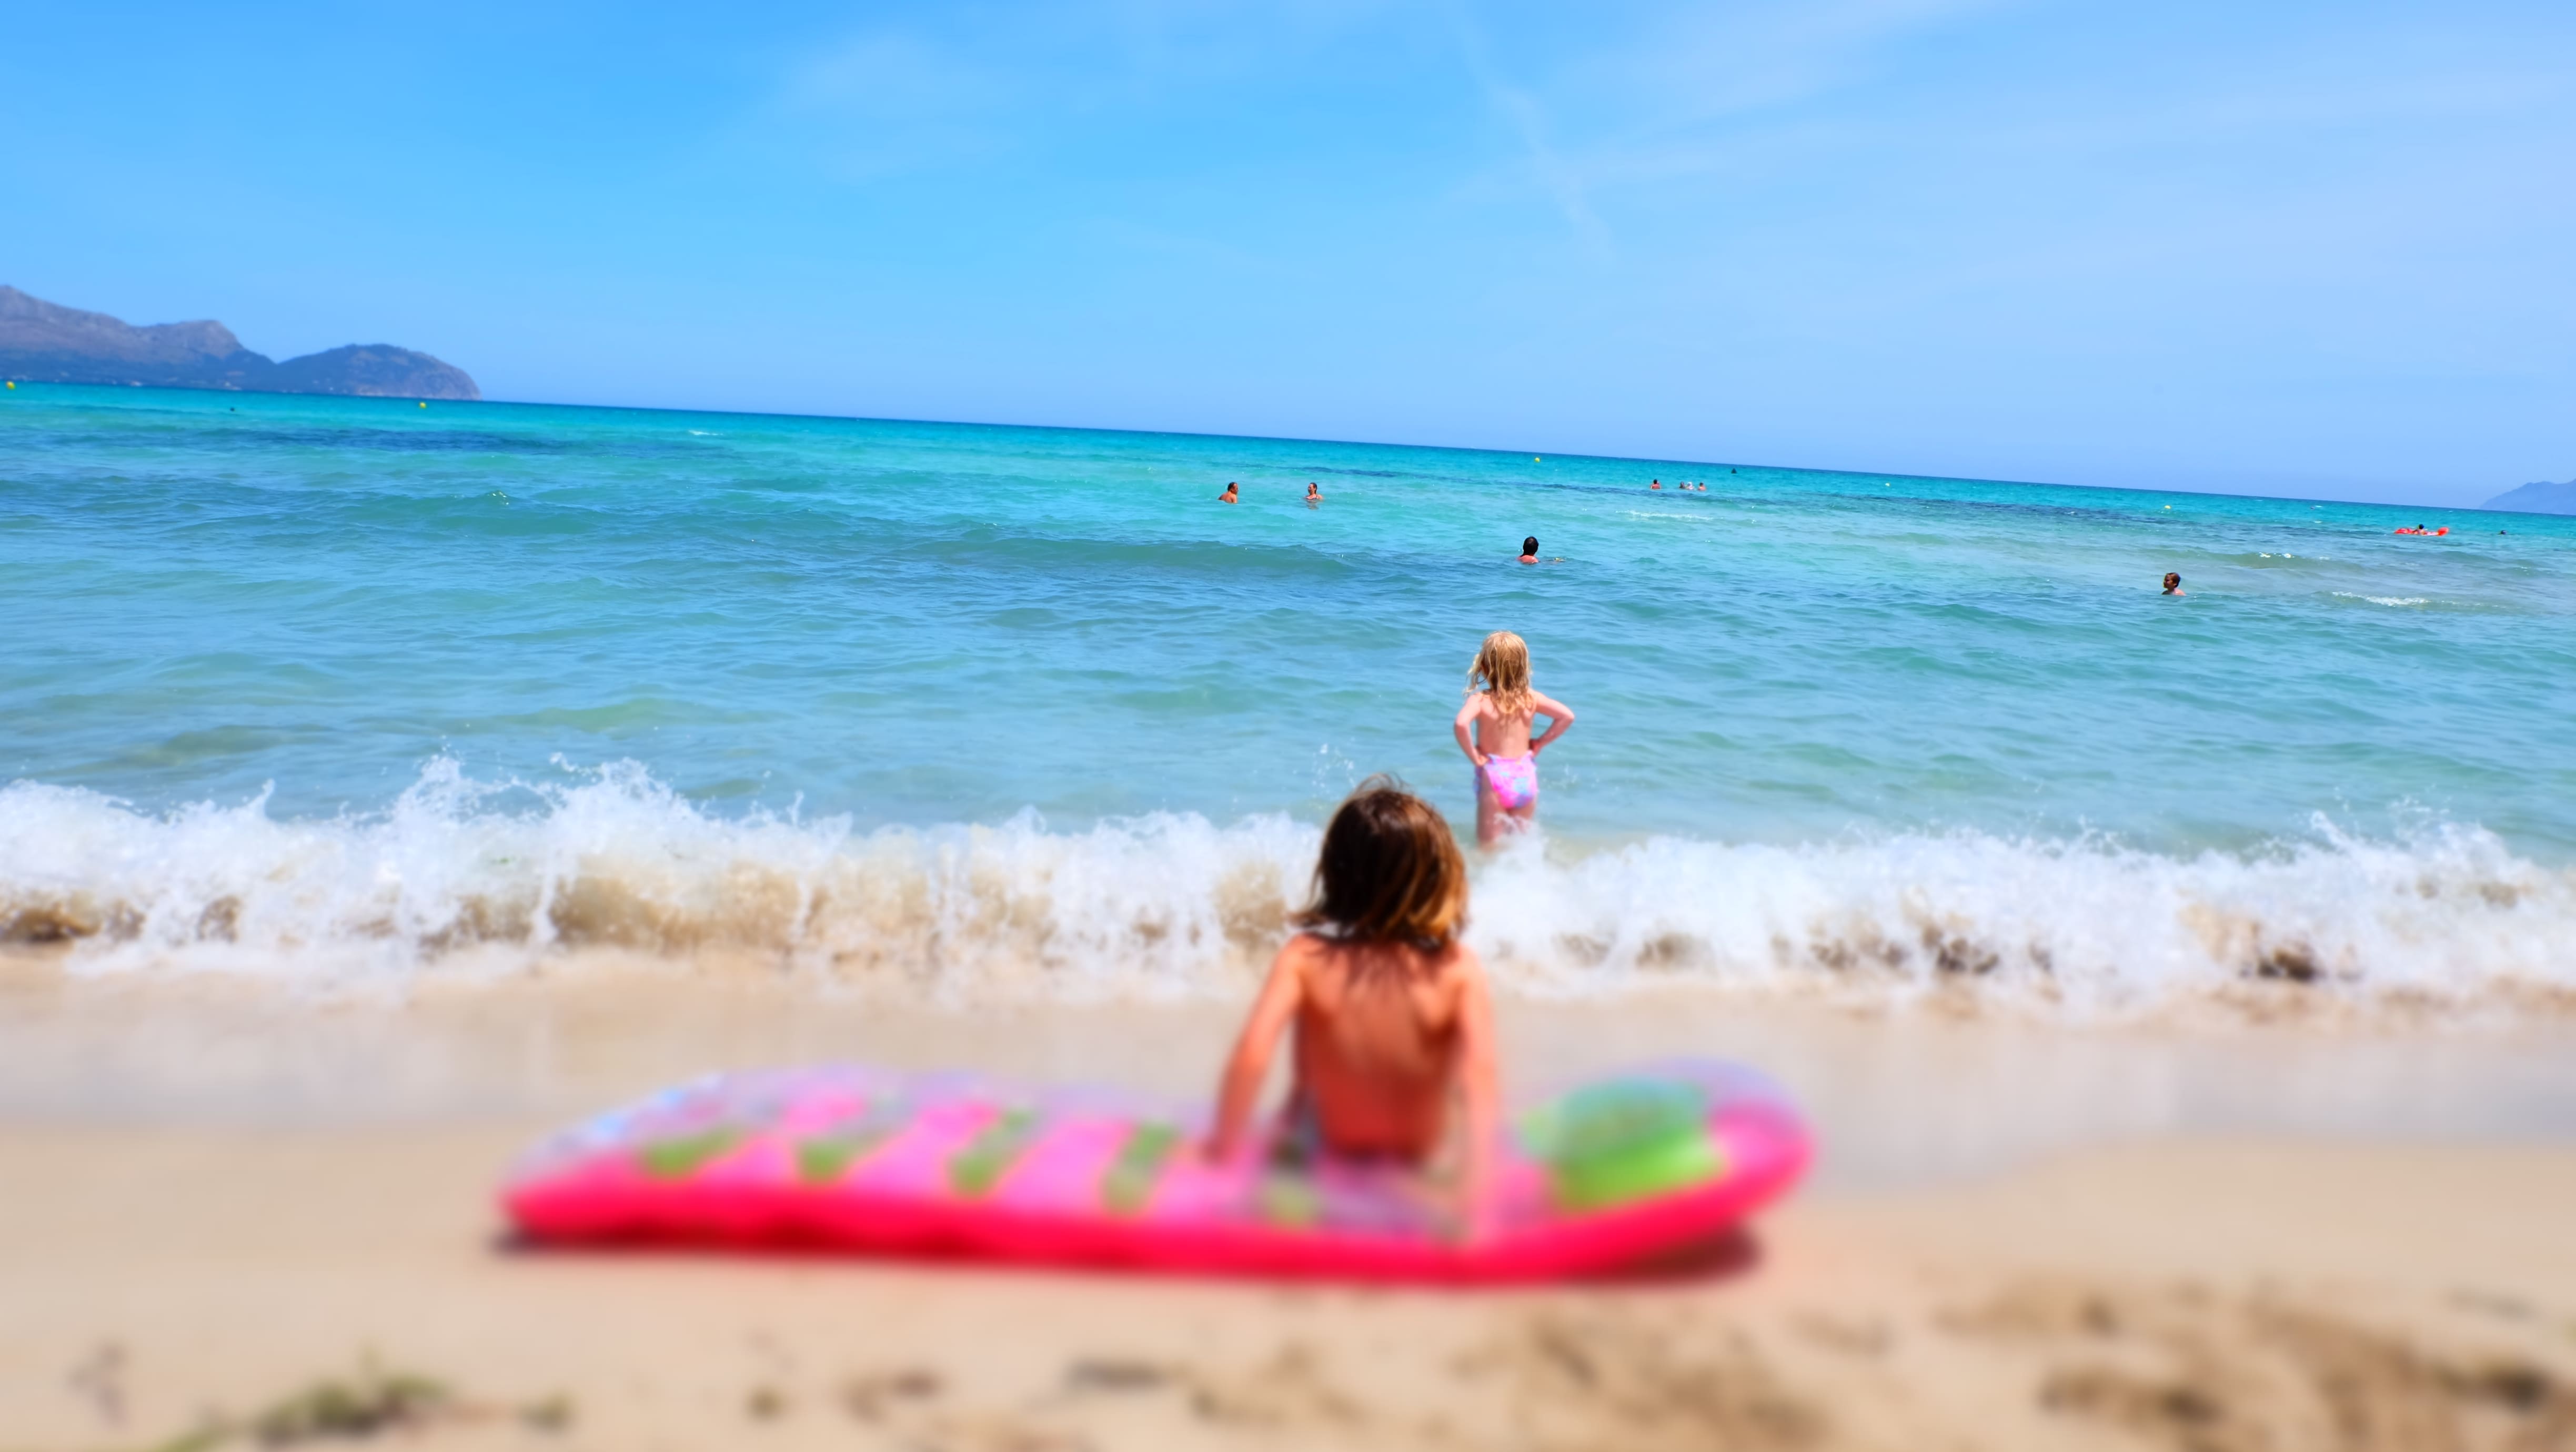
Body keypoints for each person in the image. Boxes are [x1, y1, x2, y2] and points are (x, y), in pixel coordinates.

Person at [1205, 779, 1501, 1216]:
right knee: (1452, 1095)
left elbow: (1252, 1055)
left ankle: (1293, 1128)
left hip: (1331, 1142)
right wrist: (1475, 1196)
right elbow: (1480, 1078)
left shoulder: (1305, 957)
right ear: (1440, 877)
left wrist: (1223, 1156)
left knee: (1309, 1063)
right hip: (1420, 1153)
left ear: (1335, 872)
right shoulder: (1456, 968)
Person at [1453, 630, 1575, 847]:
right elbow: (1567, 716)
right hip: (1525, 775)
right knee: (1519, 847)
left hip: (1495, 776)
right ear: (1523, 668)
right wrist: (1540, 742)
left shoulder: (1481, 700)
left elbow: (1461, 724)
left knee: (1487, 848)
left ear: (1483, 667)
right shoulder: (1531, 698)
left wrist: (1474, 756)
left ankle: (1492, 880)